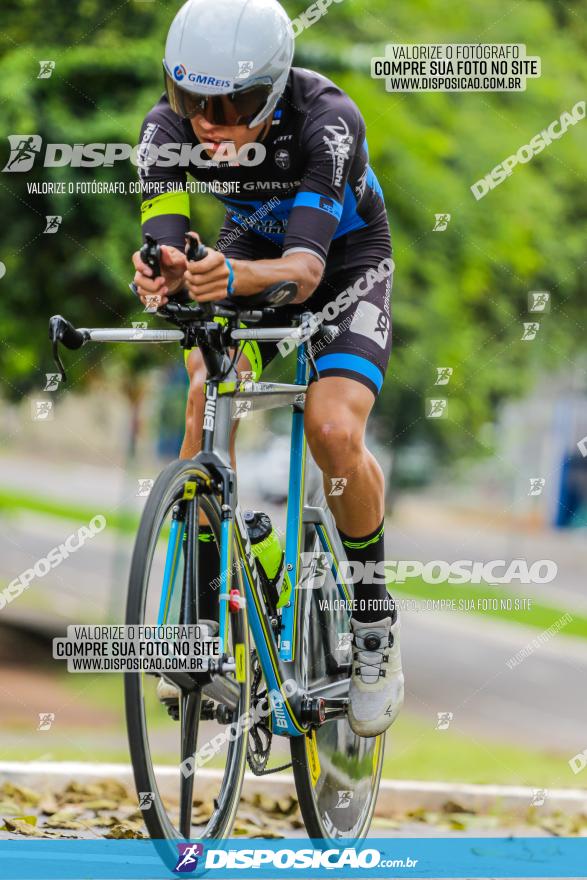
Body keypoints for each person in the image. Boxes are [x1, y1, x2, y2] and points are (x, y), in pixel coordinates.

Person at [132, 0, 403, 736]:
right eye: (194, 100)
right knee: (203, 390)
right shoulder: (163, 130)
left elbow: (306, 271)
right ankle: (202, 599)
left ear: (276, 89)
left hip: (342, 263)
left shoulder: (328, 121)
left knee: (331, 426)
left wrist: (222, 279)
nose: (210, 123)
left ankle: (374, 619)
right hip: (247, 252)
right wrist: (159, 272)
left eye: (236, 103)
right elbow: (167, 241)